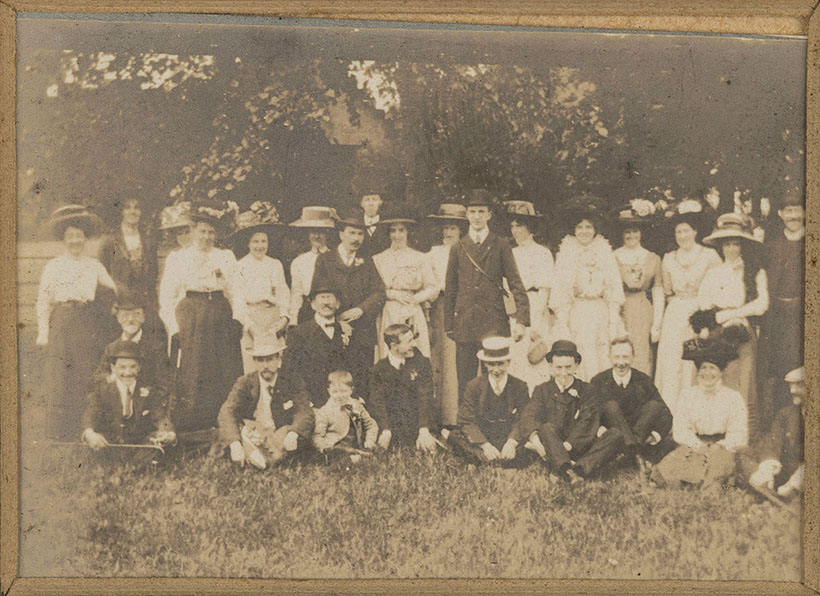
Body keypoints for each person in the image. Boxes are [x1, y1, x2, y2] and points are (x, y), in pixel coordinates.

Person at [158, 201, 247, 432]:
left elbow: (237, 290)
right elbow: (166, 297)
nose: (207, 236)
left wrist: (238, 319)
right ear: (193, 230)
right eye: (202, 231)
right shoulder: (178, 258)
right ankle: (193, 425)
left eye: (211, 232)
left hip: (219, 311)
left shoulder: (225, 256)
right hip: (191, 312)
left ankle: (226, 421)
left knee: (223, 366)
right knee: (194, 366)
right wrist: (173, 327)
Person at [36, 204, 118, 440]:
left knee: (84, 372)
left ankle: (85, 428)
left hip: (86, 322)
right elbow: (43, 301)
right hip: (61, 321)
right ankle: (58, 432)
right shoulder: (54, 266)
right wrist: (43, 333)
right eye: (70, 236)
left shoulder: (94, 265)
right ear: (64, 239)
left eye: (79, 236)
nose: (75, 241)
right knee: (60, 375)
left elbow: (111, 289)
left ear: (85, 239)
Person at [444, 189, 530, 398]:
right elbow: (451, 289)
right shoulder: (458, 247)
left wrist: (522, 320)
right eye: (472, 212)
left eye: (481, 211)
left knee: (495, 377)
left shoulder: (500, 245)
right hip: (465, 323)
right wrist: (449, 325)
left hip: (494, 323)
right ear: (466, 215)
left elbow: (515, 282)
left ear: (489, 215)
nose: (476, 216)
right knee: (464, 379)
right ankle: (465, 427)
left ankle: (495, 426)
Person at [699, 212, 769, 438]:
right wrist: (715, 319)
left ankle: (743, 437)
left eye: (736, 244)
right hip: (718, 331)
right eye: (727, 244)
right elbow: (704, 302)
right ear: (721, 246)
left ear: (743, 246)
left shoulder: (754, 272)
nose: (731, 249)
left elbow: (761, 304)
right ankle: (716, 432)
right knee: (718, 380)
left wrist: (734, 314)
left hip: (742, 331)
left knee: (743, 383)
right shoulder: (713, 273)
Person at [520, 340, 624, 483]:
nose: (563, 373)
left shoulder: (588, 391)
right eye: (559, 367)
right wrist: (536, 442)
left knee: (616, 435)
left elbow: (587, 422)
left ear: (576, 365)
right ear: (550, 366)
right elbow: (529, 415)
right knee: (545, 428)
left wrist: (565, 447)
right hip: (551, 443)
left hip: (578, 445)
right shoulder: (542, 390)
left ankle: (571, 468)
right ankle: (571, 472)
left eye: (568, 367)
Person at [651, 339, 747, 491]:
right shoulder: (688, 394)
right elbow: (681, 430)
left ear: (721, 372)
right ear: (698, 372)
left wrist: (720, 446)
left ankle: (712, 485)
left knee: (716, 473)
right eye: (703, 368)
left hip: (722, 448)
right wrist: (697, 445)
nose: (707, 373)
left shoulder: (733, 397)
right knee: (668, 472)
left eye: (712, 368)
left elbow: (739, 434)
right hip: (693, 444)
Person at [654, 199, 721, 417]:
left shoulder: (709, 256)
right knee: (673, 361)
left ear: (695, 231)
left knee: (694, 361)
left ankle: (697, 413)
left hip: (700, 312)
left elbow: (718, 288)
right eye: (678, 232)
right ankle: (670, 414)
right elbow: (666, 291)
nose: (682, 236)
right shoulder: (668, 258)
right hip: (675, 312)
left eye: (686, 231)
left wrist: (707, 317)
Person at [311, 210, 386, 394]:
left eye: (360, 234)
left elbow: (379, 292)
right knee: (334, 378)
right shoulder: (325, 260)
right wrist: (338, 319)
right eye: (352, 233)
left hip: (362, 331)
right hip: (333, 329)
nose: (356, 238)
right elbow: (319, 295)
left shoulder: (366, 262)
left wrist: (361, 310)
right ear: (341, 234)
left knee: (361, 381)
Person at [549, 205, 625, 381]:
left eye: (589, 227)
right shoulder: (566, 253)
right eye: (580, 227)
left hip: (600, 311)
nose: (584, 231)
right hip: (577, 313)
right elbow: (560, 292)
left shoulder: (605, 252)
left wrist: (613, 319)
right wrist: (563, 322)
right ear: (574, 230)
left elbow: (614, 289)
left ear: (595, 229)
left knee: (602, 353)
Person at [218, 334, 315, 470]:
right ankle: (250, 448)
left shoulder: (292, 380)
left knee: (285, 451)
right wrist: (234, 443)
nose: (265, 366)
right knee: (247, 437)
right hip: (255, 430)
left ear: (278, 359)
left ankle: (260, 456)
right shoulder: (245, 382)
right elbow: (227, 411)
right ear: (255, 361)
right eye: (260, 360)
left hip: (280, 433)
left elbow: (305, 411)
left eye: (269, 359)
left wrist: (294, 433)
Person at [447, 337, 533, 467]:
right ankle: (496, 461)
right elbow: (466, 420)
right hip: (484, 436)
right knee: (455, 436)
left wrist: (511, 443)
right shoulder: (474, 386)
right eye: (492, 364)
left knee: (531, 441)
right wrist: (485, 445)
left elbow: (525, 418)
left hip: (508, 437)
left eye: (500, 364)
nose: (496, 370)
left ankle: (481, 461)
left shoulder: (519, 386)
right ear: (485, 364)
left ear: (508, 362)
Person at [590, 338, 672, 468]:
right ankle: (636, 455)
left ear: (633, 357)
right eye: (616, 357)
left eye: (626, 357)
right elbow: (590, 413)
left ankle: (630, 451)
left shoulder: (643, 380)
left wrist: (653, 436)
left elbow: (665, 413)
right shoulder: (598, 381)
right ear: (609, 357)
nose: (621, 363)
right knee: (611, 407)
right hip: (613, 436)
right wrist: (601, 430)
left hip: (641, 435)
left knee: (654, 406)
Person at [758, 191, 804, 416]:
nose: (793, 215)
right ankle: (780, 422)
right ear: (780, 214)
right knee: (778, 368)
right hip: (777, 316)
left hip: (804, 315)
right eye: (788, 211)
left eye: (797, 210)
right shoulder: (772, 247)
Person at [81, 340, 176, 449]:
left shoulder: (148, 391)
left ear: (138, 367)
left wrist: (168, 432)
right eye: (122, 367)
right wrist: (89, 433)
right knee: (98, 444)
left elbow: (160, 416)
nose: (128, 372)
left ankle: (139, 462)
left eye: (132, 367)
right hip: (110, 443)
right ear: (113, 368)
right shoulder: (103, 391)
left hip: (138, 444)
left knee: (154, 444)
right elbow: (90, 414)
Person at [231, 201, 290, 374]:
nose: (260, 246)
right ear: (248, 244)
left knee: (274, 366)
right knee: (253, 368)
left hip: (274, 320)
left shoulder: (275, 264)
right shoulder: (240, 266)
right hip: (251, 321)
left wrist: (284, 318)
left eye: (263, 241)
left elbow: (284, 292)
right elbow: (238, 300)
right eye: (255, 242)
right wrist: (250, 326)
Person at [502, 200, 554, 393]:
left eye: (520, 225)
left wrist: (535, 322)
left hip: (534, 309)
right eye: (513, 226)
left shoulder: (542, 253)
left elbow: (544, 290)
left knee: (534, 358)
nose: (515, 231)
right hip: (514, 310)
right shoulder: (509, 253)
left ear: (530, 227)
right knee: (515, 360)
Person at [426, 203, 468, 429]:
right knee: (439, 359)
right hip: (440, 306)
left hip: (463, 307)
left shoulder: (468, 249)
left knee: (457, 360)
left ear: (461, 229)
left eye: (453, 227)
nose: (448, 232)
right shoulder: (433, 253)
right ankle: (438, 418)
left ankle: (456, 418)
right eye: (445, 227)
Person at [372, 214, 437, 359]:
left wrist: (415, 299)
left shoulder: (420, 257)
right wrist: (392, 294)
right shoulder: (379, 259)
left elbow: (432, 287)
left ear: (407, 232)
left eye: (401, 230)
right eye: (393, 231)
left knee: (415, 350)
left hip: (412, 310)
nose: (397, 235)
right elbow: (374, 289)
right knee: (391, 351)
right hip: (389, 309)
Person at [367, 323, 437, 452]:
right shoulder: (378, 370)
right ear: (394, 346)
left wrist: (424, 429)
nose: (414, 344)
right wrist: (386, 430)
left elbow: (425, 397)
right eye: (409, 341)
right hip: (393, 428)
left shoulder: (422, 363)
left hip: (418, 426)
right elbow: (377, 403)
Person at [612, 203, 663, 376]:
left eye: (635, 231)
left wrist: (657, 324)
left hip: (643, 310)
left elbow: (657, 290)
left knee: (641, 353)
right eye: (627, 231)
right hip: (619, 308)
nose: (631, 235)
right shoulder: (613, 256)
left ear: (641, 233)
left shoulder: (653, 258)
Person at [92, 292, 171, 396]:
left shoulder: (155, 348)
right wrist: (110, 378)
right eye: (125, 315)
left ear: (143, 317)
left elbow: (164, 384)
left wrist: (148, 392)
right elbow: (98, 377)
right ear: (118, 319)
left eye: (136, 314)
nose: (130, 320)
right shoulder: (111, 348)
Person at [282, 283, 347, 408]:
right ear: (312, 305)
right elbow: (291, 372)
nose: (326, 302)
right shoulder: (299, 333)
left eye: (329, 297)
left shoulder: (345, 331)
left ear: (337, 304)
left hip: (340, 398)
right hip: (311, 401)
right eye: (322, 297)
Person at [745, 366, 804, 498]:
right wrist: (768, 468)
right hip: (787, 471)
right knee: (743, 452)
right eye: (791, 385)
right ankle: (767, 491)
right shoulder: (786, 414)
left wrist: (795, 483)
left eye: (799, 385)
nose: (793, 390)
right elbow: (772, 441)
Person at [98, 197, 159, 322]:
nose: (133, 211)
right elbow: (100, 275)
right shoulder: (109, 240)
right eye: (128, 207)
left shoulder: (148, 241)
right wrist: (111, 303)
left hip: (144, 305)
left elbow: (153, 275)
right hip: (119, 304)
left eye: (136, 207)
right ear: (121, 211)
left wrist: (154, 305)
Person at [287, 206, 337, 326]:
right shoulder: (299, 261)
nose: (316, 236)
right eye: (312, 231)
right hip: (308, 313)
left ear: (327, 233)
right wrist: (293, 320)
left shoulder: (336, 258)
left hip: (333, 310)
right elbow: (296, 294)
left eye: (321, 231)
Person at [312, 370, 378, 456]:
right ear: (329, 391)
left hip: (356, 444)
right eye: (335, 392)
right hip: (335, 446)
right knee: (339, 452)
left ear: (351, 390)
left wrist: (370, 440)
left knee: (366, 453)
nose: (339, 395)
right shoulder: (324, 412)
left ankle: (359, 453)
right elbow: (317, 436)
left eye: (343, 391)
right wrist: (325, 447)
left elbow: (371, 425)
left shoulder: (357, 405)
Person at [357, 192, 391, 259]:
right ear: (362, 204)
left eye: (374, 199)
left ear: (380, 202)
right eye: (367, 200)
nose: (371, 203)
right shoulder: (356, 223)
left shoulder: (387, 224)